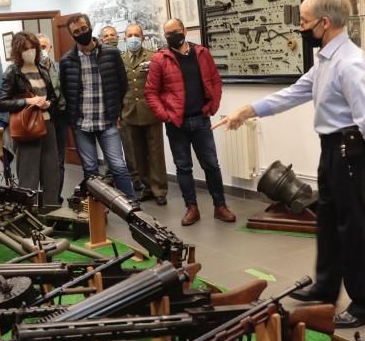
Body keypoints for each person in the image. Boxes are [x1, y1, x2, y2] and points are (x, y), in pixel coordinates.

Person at [214, 0, 365, 328]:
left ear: (325, 23)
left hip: (351, 151)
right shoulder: (326, 59)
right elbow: (294, 92)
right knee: (327, 222)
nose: (301, 28)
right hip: (333, 148)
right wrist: (247, 110)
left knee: (353, 229)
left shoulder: (351, 63)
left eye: (305, 22)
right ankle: (325, 289)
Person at [145, 18, 236, 226]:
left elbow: (215, 81)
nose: (172, 36)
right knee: (183, 167)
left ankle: (220, 206)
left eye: (175, 32)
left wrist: (212, 106)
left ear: (184, 30)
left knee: (211, 165)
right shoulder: (160, 59)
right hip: (176, 123)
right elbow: (151, 92)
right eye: (168, 34)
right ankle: (191, 208)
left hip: (201, 119)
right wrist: (165, 115)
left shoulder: (202, 53)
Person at [58, 14, 136, 200]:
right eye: (76, 31)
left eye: (84, 28)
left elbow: (122, 85)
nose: (81, 33)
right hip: (82, 124)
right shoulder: (67, 61)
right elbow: (67, 92)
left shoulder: (111, 53)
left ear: (90, 27)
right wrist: (72, 121)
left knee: (118, 166)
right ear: (71, 35)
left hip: (107, 120)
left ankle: (131, 207)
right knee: (91, 170)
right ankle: (98, 212)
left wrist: (117, 112)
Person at [0, 31, 60, 206]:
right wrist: (27, 101)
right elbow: (2, 103)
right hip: (27, 129)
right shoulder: (12, 72)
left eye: (33, 48)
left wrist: (48, 103)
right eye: (26, 49)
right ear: (18, 51)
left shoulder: (43, 69)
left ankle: (51, 214)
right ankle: (27, 219)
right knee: (28, 177)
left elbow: (54, 97)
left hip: (48, 126)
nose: (30, 51)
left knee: (51, 175)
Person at [121, 23, 167, 205]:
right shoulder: (121, 59)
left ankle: (160, 190)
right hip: (130, 111)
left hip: (151, 111)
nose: (133, 38)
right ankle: (147, 187)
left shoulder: (153, 56)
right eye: (130, 35)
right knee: (137, 154)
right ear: (124, 38)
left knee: (156, 153)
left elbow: (162, 83)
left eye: (136, 35)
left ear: (143, 38)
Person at [38, 33, 69, 202]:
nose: (42, 50)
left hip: (59, 119)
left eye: (44, 47)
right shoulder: (30, 71)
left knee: (59, 161)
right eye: (38, 47)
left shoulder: (59, 67)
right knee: (44, 162)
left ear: (50, 48)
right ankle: (45, 196)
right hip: (40, 121)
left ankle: (56, 196)